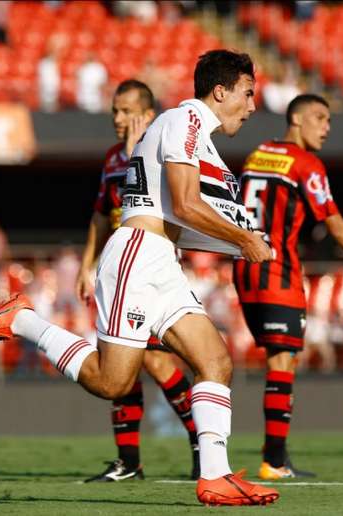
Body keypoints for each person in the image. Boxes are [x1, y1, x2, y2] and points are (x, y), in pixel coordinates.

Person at [0, 50, 279, 506]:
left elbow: (186, 221)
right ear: (221, 90)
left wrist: (242, 239)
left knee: (216, 361)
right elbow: (186, 204)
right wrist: (244, 240)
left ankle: (215, 477)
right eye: (248, 95)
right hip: (136, 254)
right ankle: (21, 321)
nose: (252, 107)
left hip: (162, 260)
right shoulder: (183, 122)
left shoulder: (199, 137)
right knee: (112, 382)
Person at [233, 94, 343, 479]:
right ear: (295, 118)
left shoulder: (258, 154)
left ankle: (271, 454)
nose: (326, 127)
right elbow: (336, 224)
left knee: (279, 361)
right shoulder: (306, 164)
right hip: (277, 271)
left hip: (244, 269)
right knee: (282, 362)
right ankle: (274, 460)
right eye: (319, 118)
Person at [76, 79, 199, 482]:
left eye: (126, 110)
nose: (117, 118)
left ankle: (199, 444)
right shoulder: (113, 157)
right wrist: (85, 265)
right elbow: (99, 214)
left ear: (148, 115)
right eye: (114, 110)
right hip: (118, 270)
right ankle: (130, 460)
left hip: (150, 268)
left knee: (158, 362)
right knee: (125, 362)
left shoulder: (162, 147)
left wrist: (135, 157)